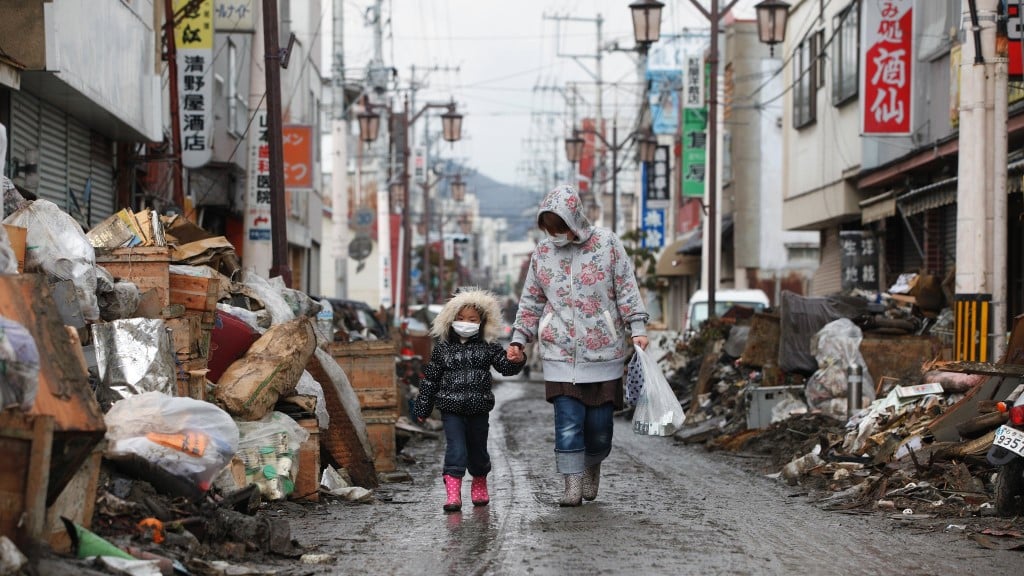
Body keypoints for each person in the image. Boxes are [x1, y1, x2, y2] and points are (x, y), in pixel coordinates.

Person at [507, 185, 649, 507]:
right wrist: (520, 339)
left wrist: (636, 327)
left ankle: (592, 465)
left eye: (560, 225)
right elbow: (530, 301)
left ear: (574, 218)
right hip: (558, 354)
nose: (555, 234)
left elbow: (626, 287)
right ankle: (571, 484)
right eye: (549, 227)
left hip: (604, 352)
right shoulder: (542, 254)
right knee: (568, 424)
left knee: (599, 430)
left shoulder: (608, 244)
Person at [413, 288, 526, 513]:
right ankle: (453, 494)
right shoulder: (442, 349)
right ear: (451, 319)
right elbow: (431, 380)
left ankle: (480, 483)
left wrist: (516, 359)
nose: (466, 323)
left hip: (479, 409)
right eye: (461, 318)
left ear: (482, 322)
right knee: (456, 449)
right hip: (450, 409)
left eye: (472, 319)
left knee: (478, 450)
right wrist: (423, 407)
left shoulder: (489, 347)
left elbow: (505, 367)